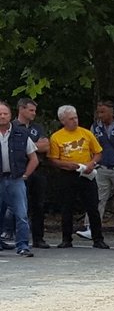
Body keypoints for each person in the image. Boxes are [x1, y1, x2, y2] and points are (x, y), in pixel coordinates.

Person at [48, 105, 108, 249]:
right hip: (68, 174)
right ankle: (66, 239)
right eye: (71, 119)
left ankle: (98, 238)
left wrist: (91, 163)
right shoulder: (56, 137)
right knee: (67, 207)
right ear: (63, 121)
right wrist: (66, 165)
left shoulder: (86, 133)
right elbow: (53, 159)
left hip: (86, 173)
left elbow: (98, 152)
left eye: (76, 117)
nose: (75, 121)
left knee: (93, 206)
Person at [0, 101, 40, 257]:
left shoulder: (21, 134)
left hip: (16, 179)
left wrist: (25, 175)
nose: (2, 116)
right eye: (0, 114)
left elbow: (34, 159)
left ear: (11, 115)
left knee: (21, 214)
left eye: (5, 114)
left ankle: (23, 246)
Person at [15, 98, 51, 249]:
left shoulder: (37, 127)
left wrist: (27, 145)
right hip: (19, 170)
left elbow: (46, 146)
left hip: (38, 170)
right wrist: (35, 145)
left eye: (35, 111)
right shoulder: (12, 126)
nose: (34, 113)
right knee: (19, 206)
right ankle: (16, 237)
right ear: (21, 109)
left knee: (39, 205)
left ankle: (38, 238)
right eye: (31, 110)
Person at [88, 100, 114, 237]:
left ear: (111, 111)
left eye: (103, 112)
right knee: (97, 198)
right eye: (98, 112)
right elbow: (92, 146)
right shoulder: (95, 127)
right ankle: (91, 228)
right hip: (102, 167)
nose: (100, 115)